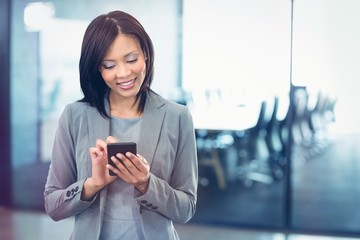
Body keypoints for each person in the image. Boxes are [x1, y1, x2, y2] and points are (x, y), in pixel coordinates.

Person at [44, 10, 198, 240]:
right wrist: (92, 184)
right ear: (98, 68)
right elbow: (53, 206)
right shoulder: (74, 116)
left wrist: (146, 183)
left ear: (145, 54)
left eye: (131, 60)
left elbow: (186, 209)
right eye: (109, 65)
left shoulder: (178, 117)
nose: (123, 73)